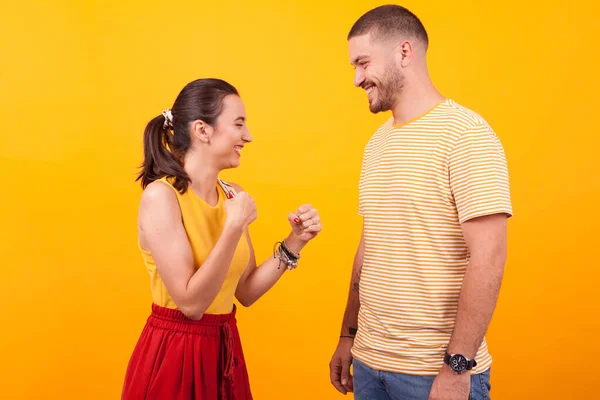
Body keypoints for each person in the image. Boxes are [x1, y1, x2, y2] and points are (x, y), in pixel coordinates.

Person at [329, 5, 513, 400]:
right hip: (368, 364)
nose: (357, 78)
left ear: (404, 53)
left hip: (432, 374)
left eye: (363, 63)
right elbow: (370, 245)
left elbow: (490, 255)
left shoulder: (466, 135)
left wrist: (457, 367)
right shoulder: (377, 143)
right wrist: (348, 335)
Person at [121, 78, 322, 400]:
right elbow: (191, 304)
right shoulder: (162, 196)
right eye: (238, 124)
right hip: (176, 352)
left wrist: (295, 241)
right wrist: (232, 227)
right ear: (203, 130)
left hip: (223, 346)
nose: (248, 136)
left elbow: (245, 291)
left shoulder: (232, 195)